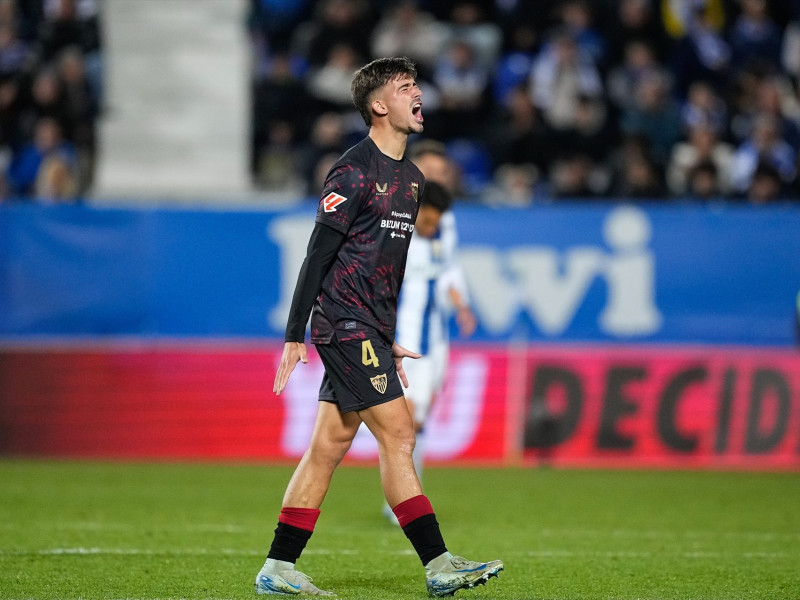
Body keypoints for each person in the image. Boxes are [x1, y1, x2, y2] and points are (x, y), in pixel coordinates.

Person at [255, 56, 503, 598]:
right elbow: (318, 255)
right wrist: (295, 334)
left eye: (418, 86)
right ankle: (438, 563)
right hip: (343, 325)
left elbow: (386, 270)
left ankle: (278, 566)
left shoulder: (412, 182)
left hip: (368, 328)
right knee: (399, 433)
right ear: (378, 104)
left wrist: (387, 339)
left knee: (328, 445)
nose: (418, 95)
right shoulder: (352, 170)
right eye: (406, 87)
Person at [380, 179, 476, 525]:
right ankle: (404, 501)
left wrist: (462, 307)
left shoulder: (440, 242)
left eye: (435, 222)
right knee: (404, 423)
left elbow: (450, 274)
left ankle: (403, 495)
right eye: (427, 221)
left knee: (417, 423)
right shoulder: (393, 243)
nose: (431, 227)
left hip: (436, 344)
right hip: (404, 345)